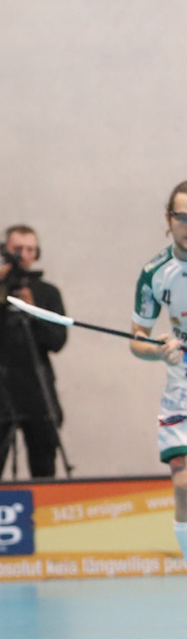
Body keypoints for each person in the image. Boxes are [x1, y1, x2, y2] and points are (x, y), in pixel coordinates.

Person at [0, 225, 67, 479]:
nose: (24, 255)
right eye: (17, 249)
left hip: (37, 389)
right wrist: (0, 295)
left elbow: (57, 340)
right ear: (4, 251)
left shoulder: (47, 293)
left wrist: (33, 312)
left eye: (30, 249)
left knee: (44, 469)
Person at [130, 180, 187, 559]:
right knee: (183, 486)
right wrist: (158, 351)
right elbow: (137, 339)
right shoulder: (155, 273)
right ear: (168, 219)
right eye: (183, 217)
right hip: (182, 388)